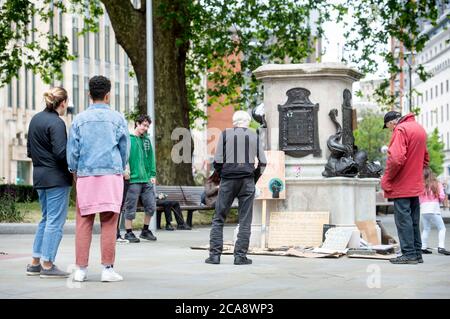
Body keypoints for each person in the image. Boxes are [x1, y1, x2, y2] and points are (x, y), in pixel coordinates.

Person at [67, 76, 130, 282]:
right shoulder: (118, 118)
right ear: (108, 95)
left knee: (83, 222)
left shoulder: (79, 119)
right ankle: (107, 269)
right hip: (111, 174)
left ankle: (80, 270)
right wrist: (119, 168)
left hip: (86, 174)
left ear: (89, 94)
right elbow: (124, 149)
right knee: (110, 222)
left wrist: (74, 171)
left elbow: (73, 151)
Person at [206, 110, 267, 265]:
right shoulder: (254, 135)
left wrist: (223, 174)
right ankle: (240, 256)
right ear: (247, 121)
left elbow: (217, 161)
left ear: (234, 122)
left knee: (219, 217)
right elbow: (263, 162)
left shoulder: (225, 134)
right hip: (247, 180)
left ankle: (214, 255)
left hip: (228, 180)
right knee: (245, 220)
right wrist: (254, 178)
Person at [26, 87, 72, 278]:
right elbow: (61, 153)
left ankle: (35, 262)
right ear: (62, 103)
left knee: (45, 219)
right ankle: (47, 264)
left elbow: (29, 151)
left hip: (39, 177)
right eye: (66, 103)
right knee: (54, 221)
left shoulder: (35, 119)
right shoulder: (57, 123)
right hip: (57, 179)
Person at [381, 111, 429, 265]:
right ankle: (416, 254)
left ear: (392, 123)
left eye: (388, 127)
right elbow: (426, 159)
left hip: (402, 185)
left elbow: (395, 159)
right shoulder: (419, 128)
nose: (390, 130)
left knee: (403, 220)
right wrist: (414, 170)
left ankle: (408, 254)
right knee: (413, 220)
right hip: (415, 185)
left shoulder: (401, 130)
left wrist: (387, 179)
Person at [122, 115, 158, 243]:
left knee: (151, 206)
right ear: (137, 124)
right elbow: (123, 156)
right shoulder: (128, 139)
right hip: (133, 179)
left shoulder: (147, 140)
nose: (145, 128)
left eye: (147, 126)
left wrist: (152, 175)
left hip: (146, 179)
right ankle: (128, 232)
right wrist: (125, 170)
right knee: (130, 206)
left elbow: (150, 158)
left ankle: (145, 230)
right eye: (143, 125)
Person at [420, 167, 450, 255]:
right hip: (434, 209)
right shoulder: (437, 184)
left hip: (424, 209)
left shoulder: (421, 185)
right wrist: (438, 200)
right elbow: (442, 196)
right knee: (442, 228)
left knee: (426, 228)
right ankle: (441, 247)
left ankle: (423, 247)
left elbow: (418, 199)